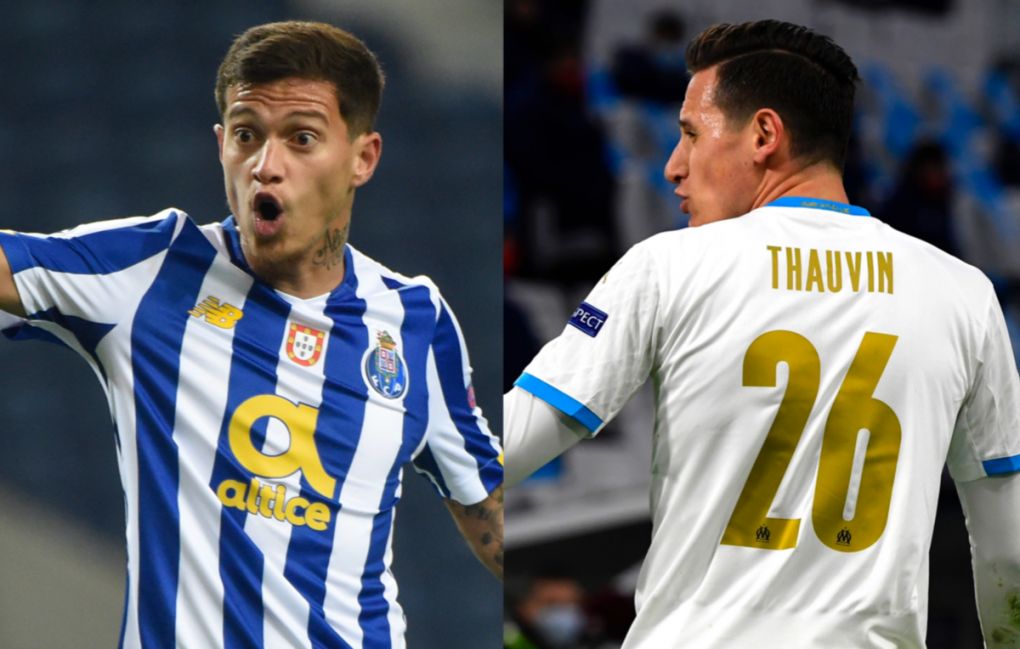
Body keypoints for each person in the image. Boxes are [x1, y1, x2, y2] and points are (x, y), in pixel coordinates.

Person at [505, 19, 1020, 648]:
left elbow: (509, 442)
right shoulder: (963, 291)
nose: (673, 167)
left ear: (764, 134)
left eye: (691, 135)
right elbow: (1008, 549)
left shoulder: (666, 266)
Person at [0, 21, 503, 649]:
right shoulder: (153, 269)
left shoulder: (416, 320)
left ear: (362, 158)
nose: (267, 166)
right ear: (221, 146)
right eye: (246, 135)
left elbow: (489, 506)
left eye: (301, 138)